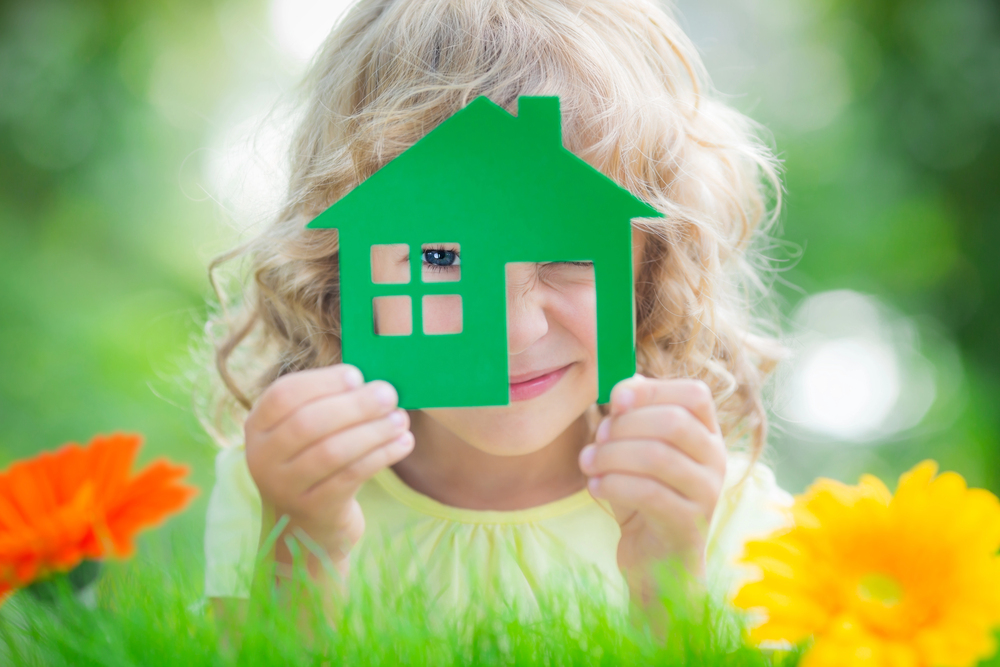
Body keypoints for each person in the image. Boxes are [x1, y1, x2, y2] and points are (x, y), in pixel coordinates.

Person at [200, 0, 794, 641]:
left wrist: (669, 579)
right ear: (336, 272)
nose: (518, 333)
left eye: (568, 255)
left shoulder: (720, 512)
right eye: (438, 257)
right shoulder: (282, 489)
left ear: (653, 267)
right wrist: (301, 548)